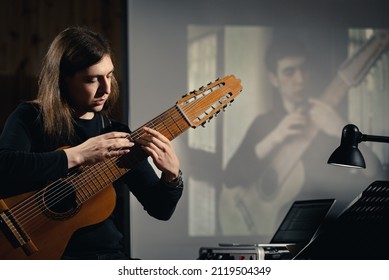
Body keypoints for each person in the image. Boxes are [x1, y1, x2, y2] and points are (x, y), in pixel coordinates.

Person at [0, 26, 183, 259]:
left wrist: (171, 176)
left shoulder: (116, 133)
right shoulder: (30, 117)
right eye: (92, 80)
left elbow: (160, 209)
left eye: (109, 75)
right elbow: (4, 165)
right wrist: (77, 155)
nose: (105, 89)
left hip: (105, 258)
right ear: (63, 79)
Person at [220, 33, 384, 237]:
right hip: (272, 237)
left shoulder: (330, 120)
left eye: (303, 69)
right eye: (289, 72)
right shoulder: (264, 123)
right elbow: (230, 177)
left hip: (324, 235)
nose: (299, 79)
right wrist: (275, 137)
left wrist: (340, 128)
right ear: (273, 78)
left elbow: (376, 175)